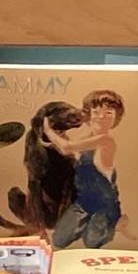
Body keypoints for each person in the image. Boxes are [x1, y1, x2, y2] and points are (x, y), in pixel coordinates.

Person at [43, 88, 126, 247]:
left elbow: (66, 147)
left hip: (104, 206)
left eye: (109, 113)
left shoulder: (106, 140)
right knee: (58, 240)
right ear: (88, 114)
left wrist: (48, 130)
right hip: (83, 203)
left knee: (92, 242)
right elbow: (65, 148)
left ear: (116, 117)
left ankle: (116, 221)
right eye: (96, 111)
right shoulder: (85, 139)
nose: (101, 117)